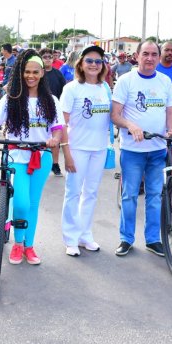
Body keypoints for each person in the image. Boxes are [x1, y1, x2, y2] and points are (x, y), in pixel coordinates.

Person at [0, 49, 63, 265]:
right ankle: (17, 243)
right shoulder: (11, 98)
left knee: (33, 204)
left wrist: (54, 138)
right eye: (27, 72)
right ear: (21, 73)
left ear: (42, 73)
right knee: (21, 204)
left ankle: (28, 246)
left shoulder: (51, 100)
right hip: (16, 156)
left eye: (35, 72)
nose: (31, 76)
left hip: (40, 158)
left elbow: (58, 128)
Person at [111, 41, 172, 257]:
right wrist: (131, 125)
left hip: (158, 149)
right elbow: (115, 114)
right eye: (145, 54)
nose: (150, 58)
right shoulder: (125, 81)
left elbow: (170, 112)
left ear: (159, 57)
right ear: (137, 56)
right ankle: (126, 239)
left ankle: (153, 239)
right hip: (133, 150)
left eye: (154, 54)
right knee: (130, 195)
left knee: (155, 195)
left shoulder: (165, 81)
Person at [59, 45, 111, 256]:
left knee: (90, 193)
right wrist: (66, 152)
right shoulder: (72, 88)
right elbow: (62, 123)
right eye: (89, 61)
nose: (93, 65)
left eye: (98, 61)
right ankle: (70, 238)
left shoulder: (105, 88)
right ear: (80, 63)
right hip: (77, 148)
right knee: (73, 193)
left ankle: (84, 234)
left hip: (98, 149)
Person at [41, 48, 67, 177]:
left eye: (50, 57)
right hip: (39, 111)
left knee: (56, 139)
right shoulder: (38, 73)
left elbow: (64, 92)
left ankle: (55, 164)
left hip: (55, 110)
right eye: (45, 57)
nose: (47, 59)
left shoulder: (58, 74)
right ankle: (39, 163)